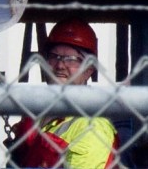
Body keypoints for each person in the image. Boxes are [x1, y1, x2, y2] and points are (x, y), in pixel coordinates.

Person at [7, 20, 120, 168]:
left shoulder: (92, 127)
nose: (60, 65)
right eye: (54, 57)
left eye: (71, 59)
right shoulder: (36, 115)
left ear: (88, 70)